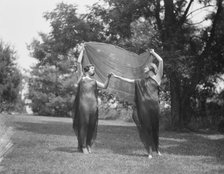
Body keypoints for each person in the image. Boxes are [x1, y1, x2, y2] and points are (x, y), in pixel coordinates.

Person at [112, 49, 163, 159]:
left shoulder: (157, 78)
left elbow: (161, 60)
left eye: (145, 67)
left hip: (154, 107)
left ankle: (157, 149)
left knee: (155, 128)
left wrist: (153, 53)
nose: (144, 68)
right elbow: (129, 80)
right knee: (146, 128)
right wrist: (117, 77)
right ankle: (149, 151)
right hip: (144, 108)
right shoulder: (141, 81)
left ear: (150, 69)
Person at [73, 63, 112, 154]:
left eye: (93, 68)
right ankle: (83, 146)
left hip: (93, 105)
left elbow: (104, 86)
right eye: (91, 68)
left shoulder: (94, 81)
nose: (93, 70)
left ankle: (88, 144)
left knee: (91, 125)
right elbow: (79, 63)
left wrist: (108, 78)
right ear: (86, 69)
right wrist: (82, 50)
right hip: (83, 104)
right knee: (84, 124)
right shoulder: (82, 79)